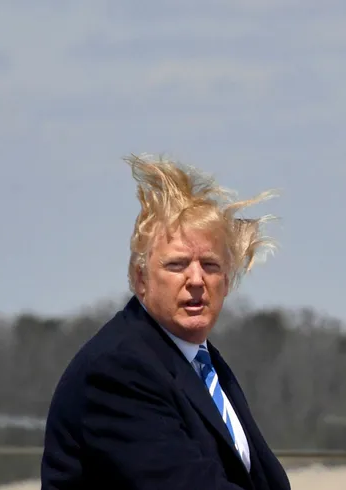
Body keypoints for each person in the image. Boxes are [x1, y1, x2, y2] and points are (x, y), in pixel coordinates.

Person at [40, 154, 291, 490]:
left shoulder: (202, 362)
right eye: (177, 265)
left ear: (227, 282)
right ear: (139, 278)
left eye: (211, 266)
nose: (197, 280)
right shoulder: (117, 369)